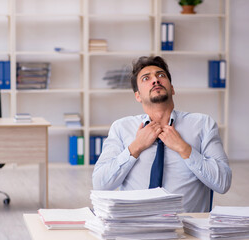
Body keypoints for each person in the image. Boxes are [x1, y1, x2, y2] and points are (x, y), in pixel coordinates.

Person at [92, 56, 232, 212]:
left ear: (172, 88)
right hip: (135, 227)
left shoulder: (203, 124)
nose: (155, 80)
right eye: (146, 78)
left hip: (185, 229)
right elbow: (100, 184)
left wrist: (185, 149)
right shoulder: (121, 128)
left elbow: (223, 183)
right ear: (137, 96)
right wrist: (135, 148)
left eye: (161, 75)